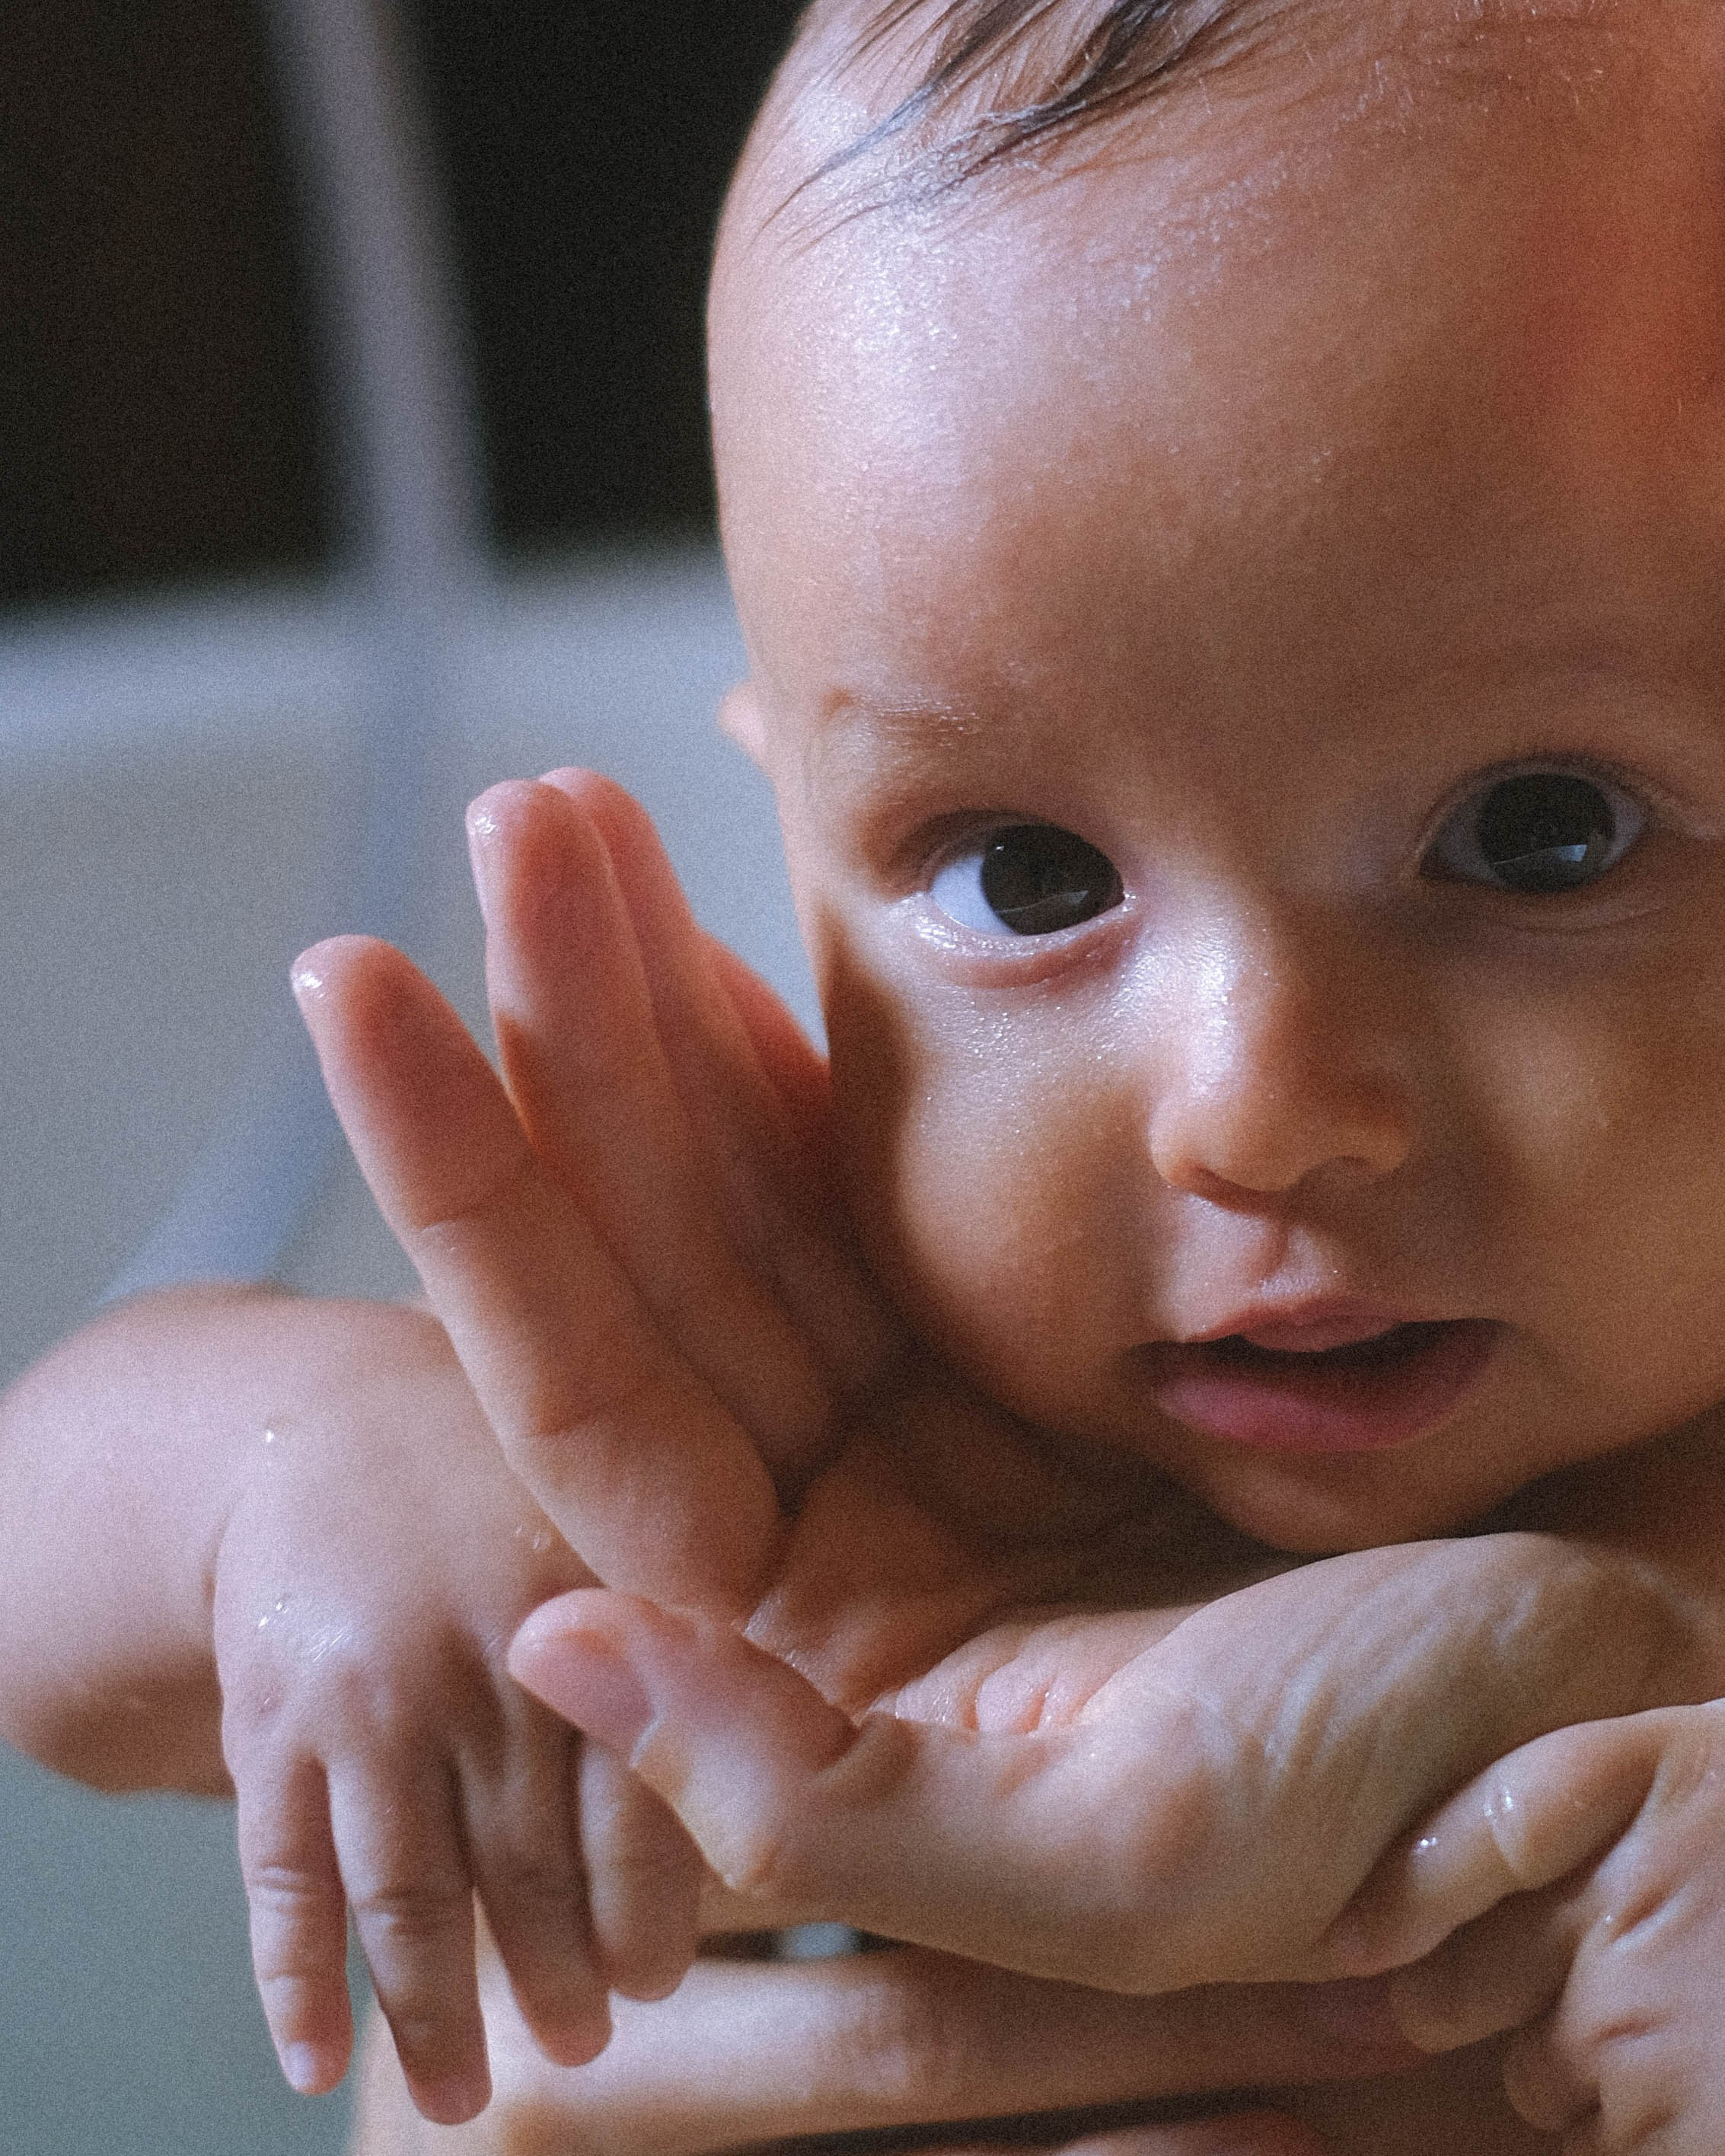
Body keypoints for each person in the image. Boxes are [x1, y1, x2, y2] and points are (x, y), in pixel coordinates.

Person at [6, 0, 1725, 2148]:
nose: (1253, 1107)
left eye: (1536, 833)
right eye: (1024, 874)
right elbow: (40, 1572)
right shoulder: (781, 1414)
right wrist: (307, 1482)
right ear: (796, 852)